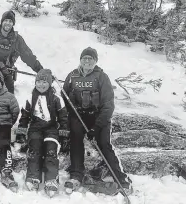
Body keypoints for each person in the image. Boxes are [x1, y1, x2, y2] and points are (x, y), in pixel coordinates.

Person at [62, 47, 133, 194]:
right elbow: (65, 96)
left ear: (95, 61)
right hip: (79, 116)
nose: (87, 61)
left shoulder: (101, 77)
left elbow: (108, 105)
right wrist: (72, 112)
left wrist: (96, 126)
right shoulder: (72, 76)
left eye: (90, 58)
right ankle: (76, 175)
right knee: (75, 138)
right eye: (84, 58)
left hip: (98, 116)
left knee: (103, 144)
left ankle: (121, 178)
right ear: (80, 60)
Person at [15, 69, 68, 197]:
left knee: (51, 151)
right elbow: (24, 117)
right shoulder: (30, 98)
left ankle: (51, 179)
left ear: (50, 83)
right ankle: (33, 177)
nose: (41, 85)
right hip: (35, 128)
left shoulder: (57, 99)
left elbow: (63, 119)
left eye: (44, 82)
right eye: (38, 82)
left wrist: (64, 136)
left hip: (51, 129)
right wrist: (21, 133)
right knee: (34, 150)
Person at [0, 10, 44, 94]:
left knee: (9, 92)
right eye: (5, 20)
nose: (8, 23)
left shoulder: (17, 39)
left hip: (6, 70)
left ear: (13, 24)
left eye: (10, 21)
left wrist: (41, 71)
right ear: (2, 22)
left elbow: (28, 56)